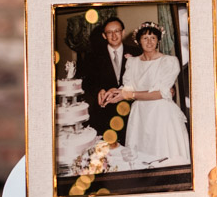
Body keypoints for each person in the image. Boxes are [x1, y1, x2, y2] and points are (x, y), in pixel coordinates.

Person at [101, 21, 191, 166]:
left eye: (153, 38)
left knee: (164, 157)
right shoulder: (132, 62)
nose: (149, 42)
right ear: (138, 41)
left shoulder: (169, 61)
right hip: (140, 116)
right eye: (145, 38)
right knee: (141, 159)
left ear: (158, 41)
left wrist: (129, 95)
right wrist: (115, 91)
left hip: (162, 116)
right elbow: (128, 88)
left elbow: (161, 93)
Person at [81, 17, 133, 145]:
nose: (114, 35)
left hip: (132, 112)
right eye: (109, 32)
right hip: (105, 115)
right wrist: (99, 90)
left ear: (123, 32)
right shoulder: (92, 56)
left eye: (117, 31)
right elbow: (87, 83)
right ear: (104, 36)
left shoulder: (136, 53)